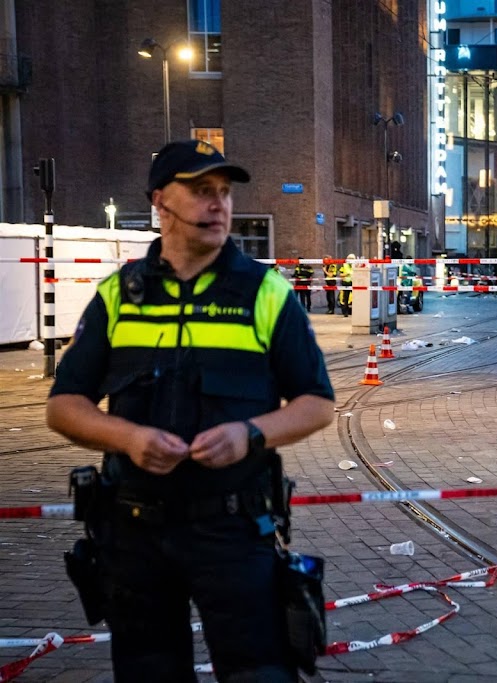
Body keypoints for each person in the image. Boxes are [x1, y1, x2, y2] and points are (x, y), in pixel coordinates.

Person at [46, 139, 336, 681]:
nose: (218, 205)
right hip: (134, 533)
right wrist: (127, 438)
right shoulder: (118, 295)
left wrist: (250, 434)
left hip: (232, 530)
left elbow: (317, 405)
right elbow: (64, 407)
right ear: (161, 202)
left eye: (224, 193)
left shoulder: (265, 292)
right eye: (202, 191)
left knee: (259, 672)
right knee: (147, 671)